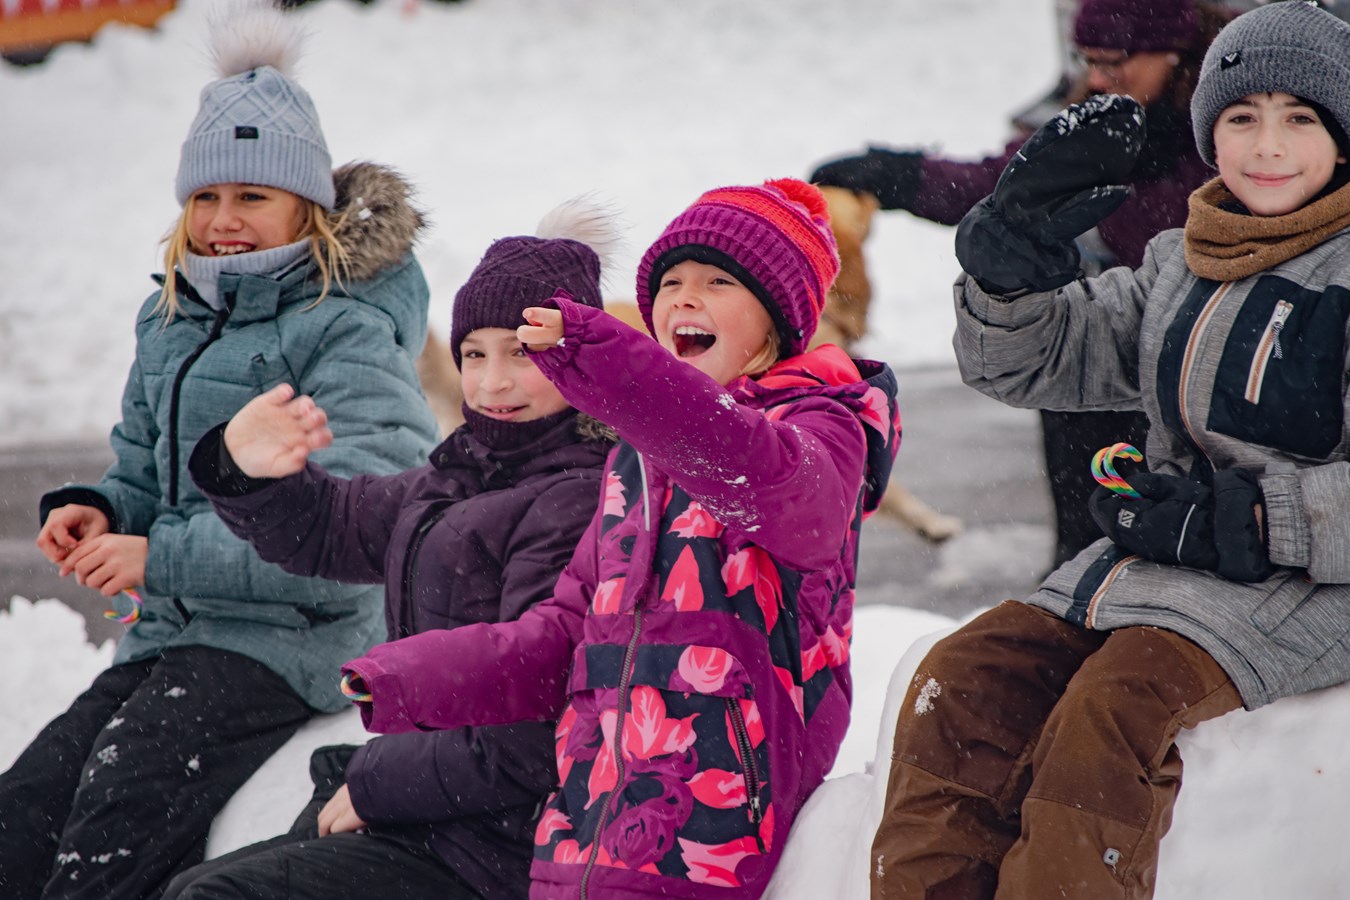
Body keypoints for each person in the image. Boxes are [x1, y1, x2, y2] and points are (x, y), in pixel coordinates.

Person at [871, 3, 1350, 898]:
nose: (1267, 145)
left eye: (1300, 119)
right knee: (964, 680)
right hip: (1159, 570)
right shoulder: (1183, 259)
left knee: (1111, 710)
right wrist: (1007, 275)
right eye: (1242, 117)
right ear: (1209, 133)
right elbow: (1036, 362)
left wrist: (1255, 517)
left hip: (1304, 590)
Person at [337, 178, 899, 898]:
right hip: (584, 837)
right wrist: (403, 676)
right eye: (669, 283)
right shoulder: (635, 462)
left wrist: (612, 365)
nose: (684, 299)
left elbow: (766, 477)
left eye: (717, 282)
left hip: (713, 836)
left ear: (777, 319)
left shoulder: (821, 429)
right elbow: (564, 634)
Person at [0, 9, 438, 899]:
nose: (224, 221)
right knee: (24, 808)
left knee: (110, 827)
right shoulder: (173, 314)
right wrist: (102, 512)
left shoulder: (346, 331)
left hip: (292, 644)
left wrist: (158, 557)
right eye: (206, 198)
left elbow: (362, 534)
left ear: (306, 207)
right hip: (171, 635)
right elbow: (139, 464)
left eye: (253, 197)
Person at [158, 201, 621, 900]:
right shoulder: (468, 469)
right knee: (192, 888)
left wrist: (375, 783)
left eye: (522, 354)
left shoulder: (576, 499)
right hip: (429, 808)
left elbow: (532, 737)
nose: (492, 381)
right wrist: (248, 471)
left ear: (574, 356)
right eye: (474, 354)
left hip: (492, 848)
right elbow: (335, 528)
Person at [811, 0, 1229, 569]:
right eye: (1089, 60)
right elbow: (1003, 184)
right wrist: (900, 175)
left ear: (1174, 51)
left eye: (1115, 60)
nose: (1099, 77)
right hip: (1100, 340)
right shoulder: (1100, 112)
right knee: (1087, 529)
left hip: (1197, 353)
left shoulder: (1233, 123)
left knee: (1174, 529)